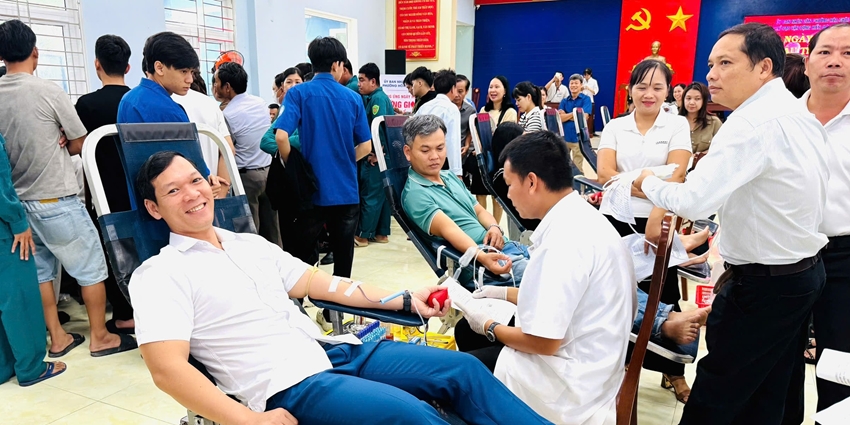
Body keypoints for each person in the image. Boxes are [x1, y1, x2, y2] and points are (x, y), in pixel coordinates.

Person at [129, 150, 551, 425]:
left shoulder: (250, 244)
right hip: (289, 384)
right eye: (172, 190)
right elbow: (167, 369)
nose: (192, 193)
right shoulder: (159, 274)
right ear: (153, 207)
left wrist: (403, 298)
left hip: (333, 349)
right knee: (417, 418)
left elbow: (318, 282)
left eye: (195, 180)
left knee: (464, 371)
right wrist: (248, 420)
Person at [633, 23, 829, 424]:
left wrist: (645, 181)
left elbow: (694, 199)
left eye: (725, 63)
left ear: (763, 68)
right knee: (774, 392)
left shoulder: (750, 124)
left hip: (765, 286)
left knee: (718, 393)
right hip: (801, 274)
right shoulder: (794, 110)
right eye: (710, 64)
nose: (711, 75)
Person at [454, 130, 635, 425]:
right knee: (466, 333)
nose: (508, 195)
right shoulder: (580, 217)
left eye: (510, 185)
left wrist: (489, 325)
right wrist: (500, 294)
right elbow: (562, 300)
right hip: (596, 364)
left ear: (532, 182)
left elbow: (543, 343)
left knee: (458, 375)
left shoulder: (562, 242)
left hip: (568, 386)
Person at [0, 19, 136, 357]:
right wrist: (62, 139)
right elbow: (79, 143)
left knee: (42, 271)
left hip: (18, 205)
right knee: (92, 268)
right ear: (35, 52)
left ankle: (58, 338)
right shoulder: (48, 91)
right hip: (56, 197)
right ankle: (101, 337)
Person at [597, 59, 693, 403]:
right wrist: (654, 185)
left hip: (659, 217)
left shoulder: (677, 125)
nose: (648, 94)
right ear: (630, 89)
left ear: (669, 91)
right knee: (615, 295)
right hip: (616, 217)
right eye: (641, 86)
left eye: (657, 87)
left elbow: (679, 175)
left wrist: (656, 209)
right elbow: (605, 174)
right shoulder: (615, 126)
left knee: (663, 293)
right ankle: (618, 367)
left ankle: (673, 371)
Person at [273, 36, 371, 281]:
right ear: (338, 64)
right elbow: (366, 146)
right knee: (343, 260)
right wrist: (347, 161)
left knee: (302, 259)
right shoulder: (353, 98)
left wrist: (295, 166)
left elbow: (281, 136)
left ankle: (302, 307)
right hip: (346, 192)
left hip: (311, 192)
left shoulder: (298, 94)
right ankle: (334, 312)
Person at [401, 115, 529, 288]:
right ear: (408, 152)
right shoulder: (416, 194)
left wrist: (494, 227)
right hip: (480, 267)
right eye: (425, 151)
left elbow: (479, 211)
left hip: (505, 248)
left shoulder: (449, 177)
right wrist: (483, 257)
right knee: (556, 278)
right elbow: (449, 229)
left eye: (440, 148)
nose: (435, 156)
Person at [801, 22, 850, 417]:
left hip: (845, 256)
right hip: (783, 255)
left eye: (848, 53)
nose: (835, 61)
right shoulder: (781, 120)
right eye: (825, 51)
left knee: (840, 362)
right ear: (807, 62)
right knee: (776, 362)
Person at [73, 34, 137, 334]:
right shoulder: (137, 101)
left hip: (103, 192)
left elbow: (73, 143)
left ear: (97, 64)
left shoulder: (86, 105)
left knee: (111, 249)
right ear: (128, 66)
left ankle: (124, 313)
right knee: (143, 246)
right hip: (140, 188)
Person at [0, 132, 67, 386]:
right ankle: (31, 367)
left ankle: (4, 366)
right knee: (19, 299)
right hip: (4, 229)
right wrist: (17, 220)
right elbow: (0, 182)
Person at [213, 62, 280, 247]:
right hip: (268, 171)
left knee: (251, 231)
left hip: (247, 177)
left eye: (216, 82)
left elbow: (228, 148)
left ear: (227, 87)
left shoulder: (228, 114)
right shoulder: (260, 103)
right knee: (272, 228)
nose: (215, 87)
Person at [354, 62, 394, 247]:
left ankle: (362, 236)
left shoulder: (377, 99)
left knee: (370, 194)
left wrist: (378, 153)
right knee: (381, 195)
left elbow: (380, 128)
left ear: (373, 81)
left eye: (362, 80)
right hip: (382, 156)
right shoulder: (374, 98)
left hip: (376, 156)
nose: (359, 84)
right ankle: (381, 233)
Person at [172, 69, 234, 179]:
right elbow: (228, 149)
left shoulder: (165, 102)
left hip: (180, 186)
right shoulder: (210, 103)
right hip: (213, 184)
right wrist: (222, 190)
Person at [416, 69, 463, 178]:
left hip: (421, 160)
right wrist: (457, 173)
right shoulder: (452, 109)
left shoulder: (424, 107)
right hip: (440, 163)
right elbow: (452, 141)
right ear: (453, 89)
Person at [260, 67, 303, 155]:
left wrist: (285, 142)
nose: (293, 86)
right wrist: (286, 151)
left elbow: (309, 139)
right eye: (289, 82)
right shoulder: (285, 110)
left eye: (297, 82)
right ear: (282, 86)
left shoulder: (307, 108)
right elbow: (265, 141)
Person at [558, 74, 592, 176]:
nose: (573, 85)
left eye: (576, 83)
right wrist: (575, 114)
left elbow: (583, 117)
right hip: (564, 138)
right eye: (571, 83)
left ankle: (579, 188)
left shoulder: (586, 99)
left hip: (579, 139)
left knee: (577, 168)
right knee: (563, 166)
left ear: (581, 85)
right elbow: (560, 118)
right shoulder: (564, 100)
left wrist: (567, 115)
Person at [679, 82, 722, 154]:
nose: (692, 102)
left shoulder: (714, 122)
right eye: (688, 98)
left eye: (697, 99)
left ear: (704, 101)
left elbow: (721, 146)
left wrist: (698, 156)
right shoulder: (675, 122)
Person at [454, 74, 475, 156]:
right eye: (454, 91)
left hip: (461, 151)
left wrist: (467, 146)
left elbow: (469, 131)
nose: (456, 95)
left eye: (460, 91)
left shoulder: (470, 111)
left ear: (466, 91)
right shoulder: (445, 108)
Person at [583, 68, 599, 135]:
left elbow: (595, 92)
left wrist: (589, 88)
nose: (586, 76)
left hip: (590, 101)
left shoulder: (594, 81)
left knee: (591, 117)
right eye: (585, 75)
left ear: (590, 74)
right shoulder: (582, 80)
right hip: (582, 100)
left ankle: (591, 131)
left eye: (587, 75)